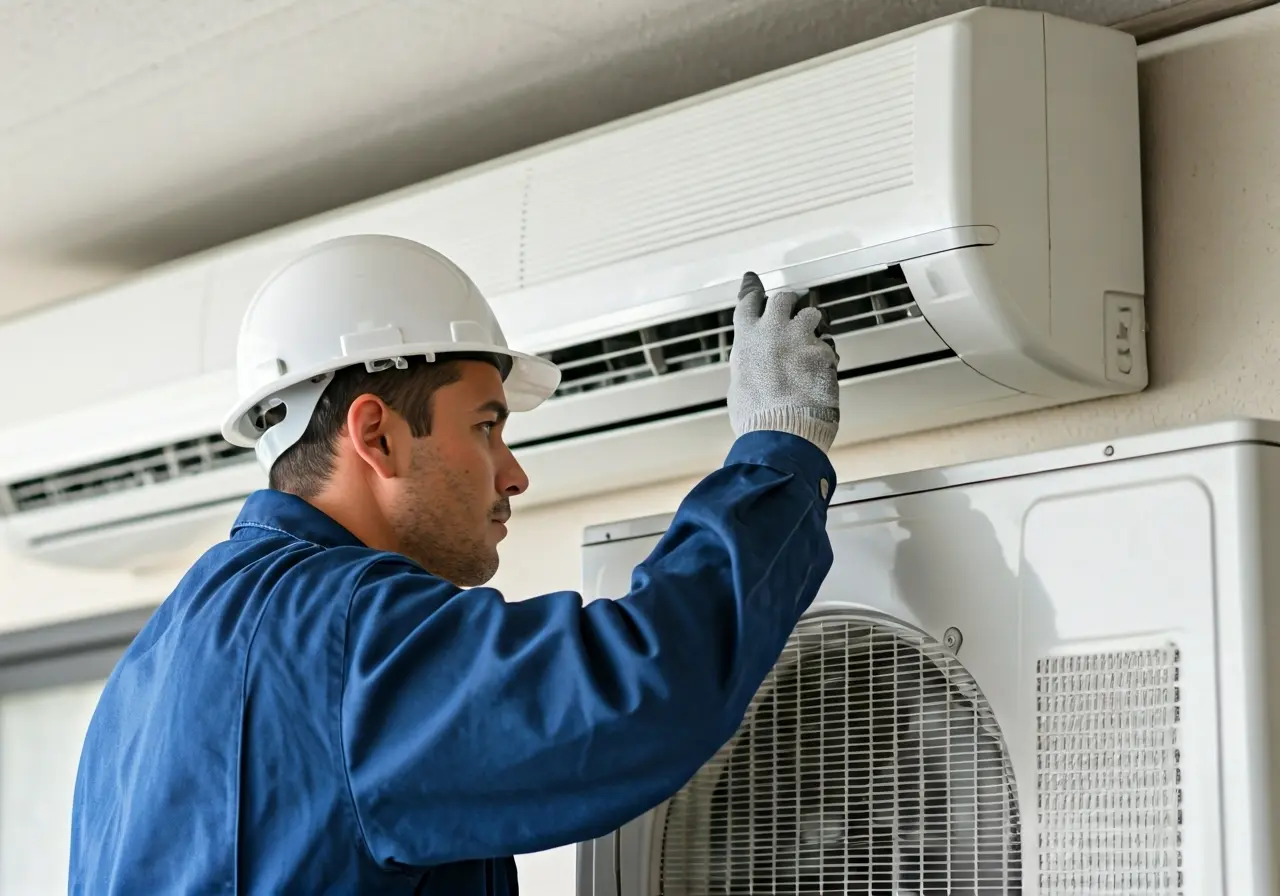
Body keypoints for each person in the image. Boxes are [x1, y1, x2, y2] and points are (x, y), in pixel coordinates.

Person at [67, 234, 842, 895]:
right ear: (376, 437)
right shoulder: (339, 633)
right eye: (485, 426)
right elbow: (640, 685)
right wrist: (778, 451)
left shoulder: (144, 680)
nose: (513, 474)